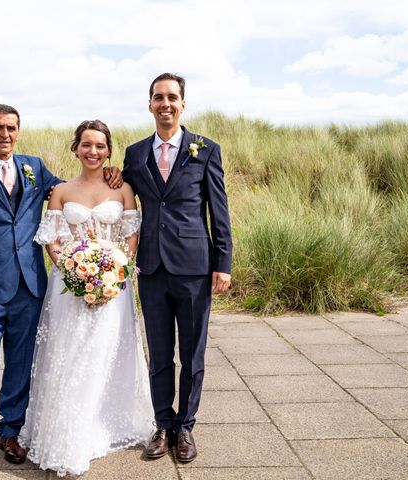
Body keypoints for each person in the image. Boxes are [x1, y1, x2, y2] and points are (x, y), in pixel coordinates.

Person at [0, 106, 122, 477]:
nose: (4, 134)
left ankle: (10, 433)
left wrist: (107, 173)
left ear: (18, 131)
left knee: (20, 366)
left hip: (29, 287)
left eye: (11, 128)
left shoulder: (35, 168)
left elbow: (72, 190)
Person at [19, 120, 154, 477]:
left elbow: (131, 236)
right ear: (75, 148)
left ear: (109, 151)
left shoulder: (123, 189)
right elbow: (52, 239)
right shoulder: (60, 191)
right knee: (71, 353)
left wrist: (113, 273)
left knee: (107, 352)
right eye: (86, 145)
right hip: (70, 286)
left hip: (115, 285)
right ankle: (67, 431)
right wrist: (76, 274)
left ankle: (104, 422)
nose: (93, 151)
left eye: (99, 146)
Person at [122, 73, 233, 463]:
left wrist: (224, 262)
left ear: (183, 104)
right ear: (149, 104)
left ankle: (186, 426)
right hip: (150, 268)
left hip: (194, 268)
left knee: (192, 353)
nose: (165, 103)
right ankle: (163, 424)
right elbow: (124, 195)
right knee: (159, 353)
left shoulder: (205, 149)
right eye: (158, 97)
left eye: (172, 97)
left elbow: (219, 211)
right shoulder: (134, 154)